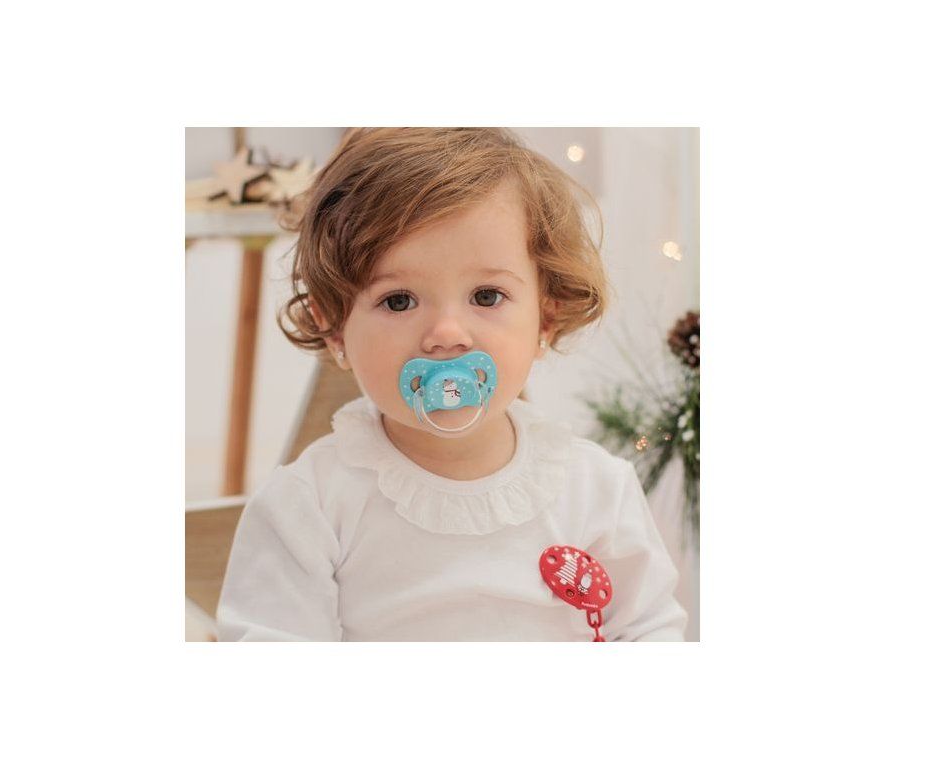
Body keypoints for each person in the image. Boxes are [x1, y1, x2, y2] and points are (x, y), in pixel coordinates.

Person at [216, 128, 687, 641]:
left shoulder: (596, 488)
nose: (446, 334)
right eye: (399, 300)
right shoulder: (310, 505)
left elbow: (649, 628)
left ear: (546, 318)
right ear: (334, 328)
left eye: (486, 296)